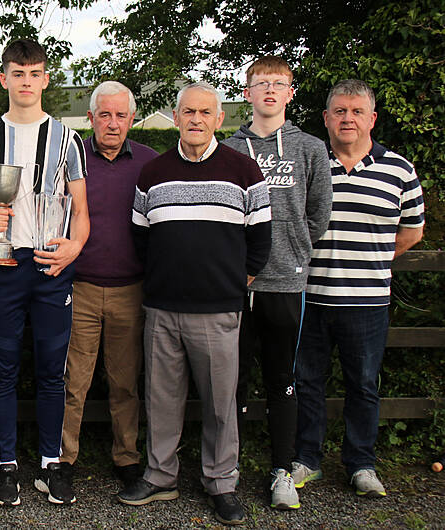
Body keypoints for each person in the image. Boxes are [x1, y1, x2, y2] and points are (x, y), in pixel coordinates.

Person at [122, 82, 271, 526]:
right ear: (176, 116)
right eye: (188, 112)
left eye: (205, 112)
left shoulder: (244, 171)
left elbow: (260, 241)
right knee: (161, 399)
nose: (196, 120)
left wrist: (228, 282)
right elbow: (140, 236)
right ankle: (160, 474)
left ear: (218, 119)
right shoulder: (153, 172)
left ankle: (221, 482)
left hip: (219, 310)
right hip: (163, 308)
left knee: (220, 403)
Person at [0, 39, 89, 506]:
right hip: (4, 265)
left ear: (46, 79)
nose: (27, 82)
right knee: (5, 368)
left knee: (54, 370)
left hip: (51, 264)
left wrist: (73, 247)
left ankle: (52, 464)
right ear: (4, 78)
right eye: (18, 74)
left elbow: (82, 211)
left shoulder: (66, 137)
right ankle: (7, 465)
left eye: (35, 74)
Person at [292, 79, 424, 498]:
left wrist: (370, 259)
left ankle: (361, 463)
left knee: (364, 385)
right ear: (326, 118)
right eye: (340, 111)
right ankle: (306, 459)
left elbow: (413, 232)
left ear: (372, 118)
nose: (348, 118)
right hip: (310, 296)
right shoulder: (311, 164)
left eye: (356, 111)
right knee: (307, 381)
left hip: (367, 301)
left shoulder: (399, 169)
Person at [220, 56, 332, 511]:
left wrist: (292, 251)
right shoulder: (226, 148)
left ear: (290, 92)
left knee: (281, 378)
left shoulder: (310, 149)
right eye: (260, 83)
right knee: (233, 379)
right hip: (235, 284)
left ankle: (282, 469)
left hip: (286, 282)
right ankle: (231, 466)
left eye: (278, 84)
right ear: (246, 92)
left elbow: (318, 215)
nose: (269, 90)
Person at [60, 81, 157, 491]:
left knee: (125, 381)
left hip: (131, 290)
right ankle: (62, 460)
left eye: (121, 115)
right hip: (79, 286)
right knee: (73, 381)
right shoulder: (70, 158)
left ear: (132, 119)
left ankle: (127, 458)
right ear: (91, 117)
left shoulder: (151, 164)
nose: (112, 123)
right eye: (105, 114)